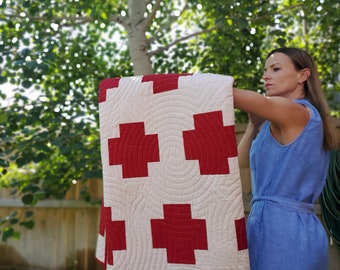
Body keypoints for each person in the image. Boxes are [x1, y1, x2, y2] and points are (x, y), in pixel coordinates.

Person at [233, 47, 338, 270]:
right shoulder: (275, 121)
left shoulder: (299, 113)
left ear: (303, 75)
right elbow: (241, 163)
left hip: (288, 231)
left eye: (276, 69)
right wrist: (253, 125)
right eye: (265, 70)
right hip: (265, 226)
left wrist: (200, 85)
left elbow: (249, 100)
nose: (265, 76)